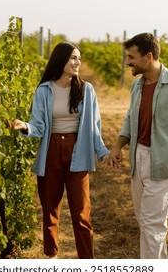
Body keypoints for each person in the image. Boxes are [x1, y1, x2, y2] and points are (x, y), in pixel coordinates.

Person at [10, 42, 109, 259]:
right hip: (51, 152)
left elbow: (94, 126)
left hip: (77, 151)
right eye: (73, 58)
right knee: (50, 210)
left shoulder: (86, 90)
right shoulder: (44, 90)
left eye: (79, 59)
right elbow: (39, 124)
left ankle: (86, 261)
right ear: (61, 59)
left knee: (82, 213)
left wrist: (102, 152)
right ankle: (52, 258)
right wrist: (25, 126)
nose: (77, 62)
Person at [107, 33, 168, 259]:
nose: (127, 62)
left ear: (148, 57)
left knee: (152, 225)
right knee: (147, 224)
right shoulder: (137, 86)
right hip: (139, 159)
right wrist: (118, 145)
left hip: (166, 162)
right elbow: (131, 118)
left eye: (131, 57)